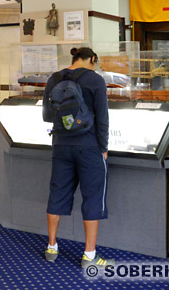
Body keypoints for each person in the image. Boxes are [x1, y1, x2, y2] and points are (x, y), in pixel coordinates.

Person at [42, 47, 112, 268]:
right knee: (92, 197)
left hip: (61, 145)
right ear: (92, 59)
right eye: (95, 62)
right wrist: (103, 146)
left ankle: (52, 247)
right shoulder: (96, 80)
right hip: (89, 146)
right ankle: (89, 255)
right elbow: (102, 118)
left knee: (58, 191)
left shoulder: (53, 79)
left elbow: (47, 115)